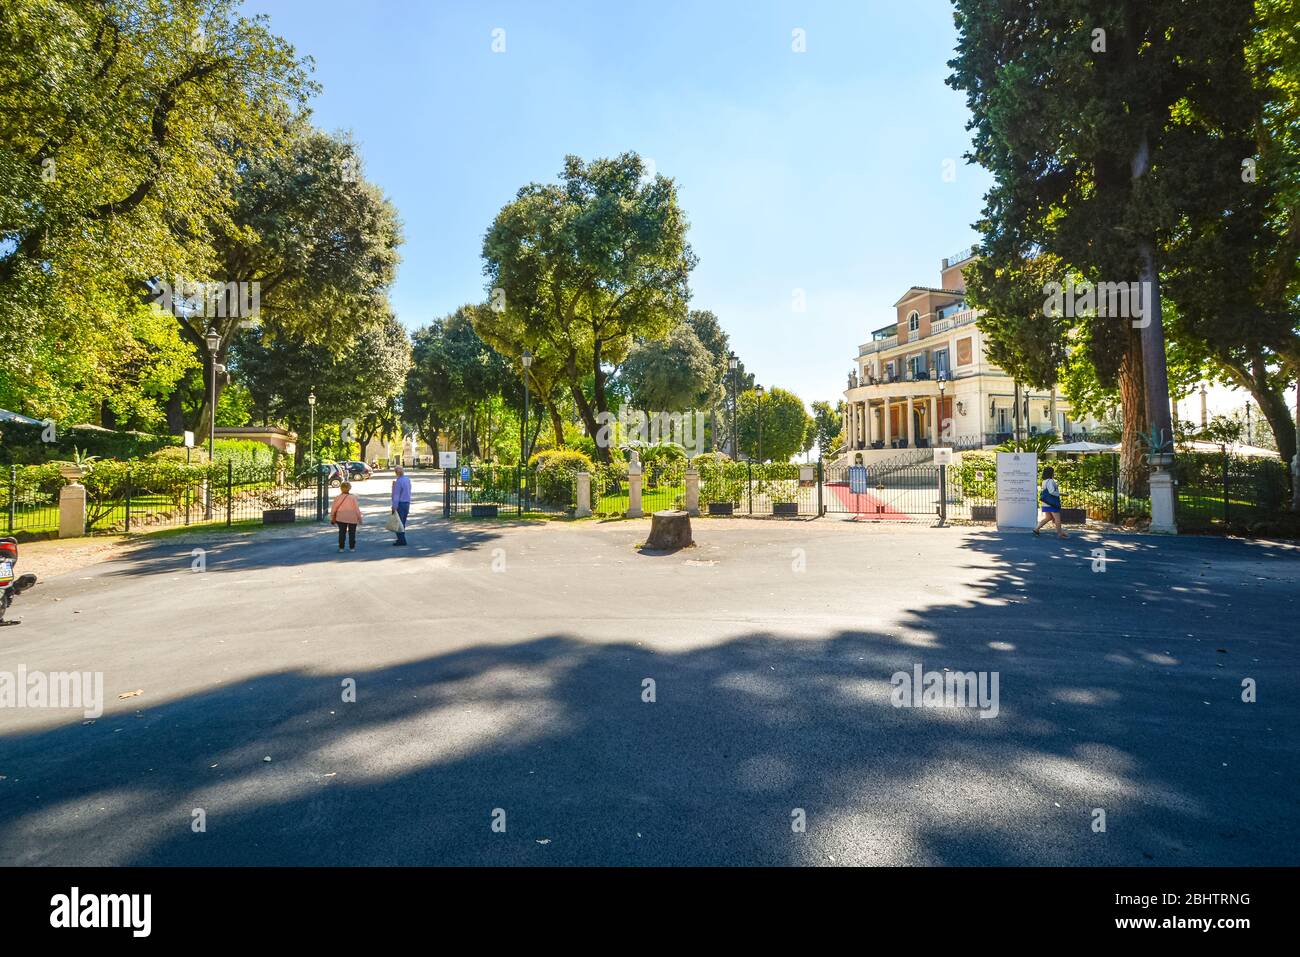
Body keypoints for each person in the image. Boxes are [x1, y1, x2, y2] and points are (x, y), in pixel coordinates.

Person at [1034, 466, 1067, 539]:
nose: (1054, 473)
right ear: (1051, 473)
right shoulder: (1051, 481)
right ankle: (1059, 534)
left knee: (1048, 517)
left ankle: (1036, 529)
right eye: (1053, 472)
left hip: (1046, 503)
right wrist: (1061, 494)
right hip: (1052, 503)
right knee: (1057, 518)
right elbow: (1052, 491)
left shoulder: (1044, 481)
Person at [330, 481, 363, 552]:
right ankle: (352, 547)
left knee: (342, 533)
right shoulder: (353, 498)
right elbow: (357, 509)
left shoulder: (337, 498)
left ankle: (341, 548)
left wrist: (332, 517)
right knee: (352, 533)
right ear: (349, 488)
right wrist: (360, 518)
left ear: (341, 488)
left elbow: (334, 509)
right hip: (352, 517)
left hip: (340, 517)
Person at [391, 464, 412, 546]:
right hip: (407, 502)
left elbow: (396, 495)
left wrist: (394, 506)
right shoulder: (407, 479)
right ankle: (401, 539)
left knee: (398, 522)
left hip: (400, 503)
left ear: (396, 473)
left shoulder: (398, 482)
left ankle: (401, 540)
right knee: (403, 522)